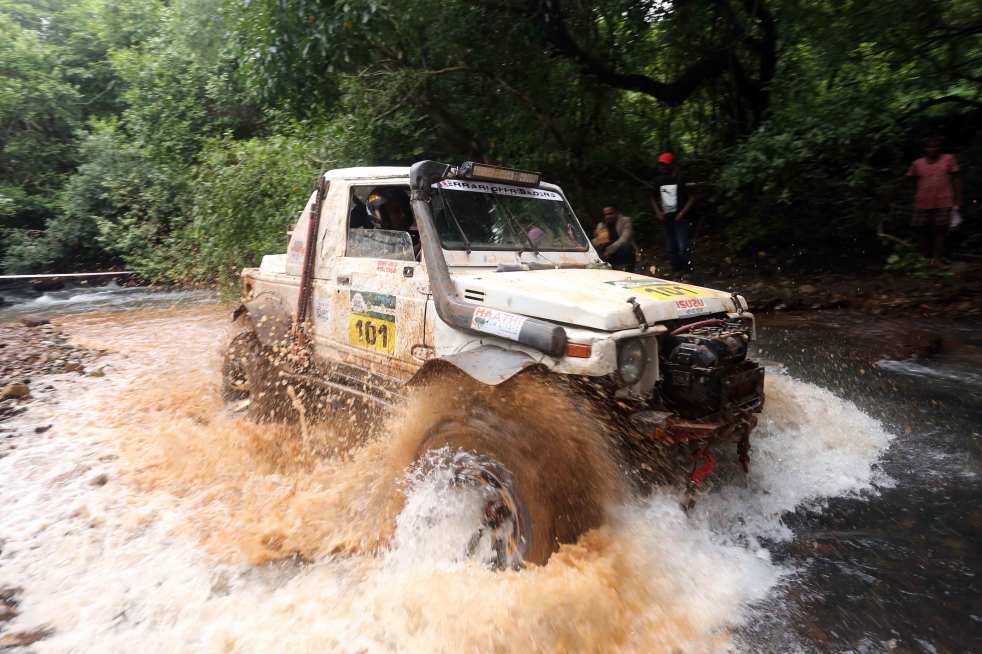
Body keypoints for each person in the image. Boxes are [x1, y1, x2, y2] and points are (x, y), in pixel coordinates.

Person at [907, 136, 962, 263]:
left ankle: (937, 258)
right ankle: (923, 257)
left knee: (940, 230)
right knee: (921, 229)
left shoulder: (949, 159)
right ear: (925, 149)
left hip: (944, 200)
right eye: (929, 147)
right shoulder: (917, 163)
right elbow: (910, 180)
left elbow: (957, 179)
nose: (932, 149)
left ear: (940, 148)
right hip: (922, 201)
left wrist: (958, 200)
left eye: (935, 146)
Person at [650, 152, 696, 277]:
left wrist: (682, 213)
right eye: (661, 165)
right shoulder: (658, 181)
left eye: (665, 165)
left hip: (681, 219)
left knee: (683, 246)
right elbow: (652, 197)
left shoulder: (681, 179)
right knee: (671, 248)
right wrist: (658, 212)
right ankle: (677, 271)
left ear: (671, 165)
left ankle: (687, 272)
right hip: (667, 219)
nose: (662, 167)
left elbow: (692, 197)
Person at [598, 205, 637, 271]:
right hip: (609, 255)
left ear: (616, 213)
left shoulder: (625, 221)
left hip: (624, 252)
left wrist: (609, 250)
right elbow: (600, 243)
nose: (608, 216)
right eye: (606, 214)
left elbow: (624, 238)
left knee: (625, 246)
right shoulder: (602, 225)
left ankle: (626, 269)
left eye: (610, 213)